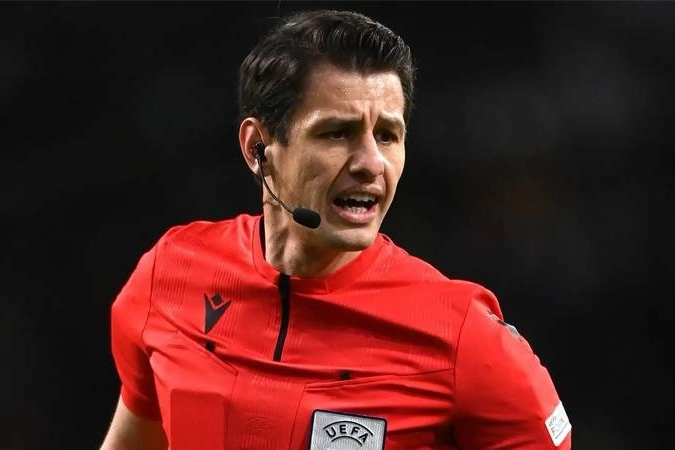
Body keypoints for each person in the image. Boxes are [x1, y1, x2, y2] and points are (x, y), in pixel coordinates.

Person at [100, 9, 571, 450]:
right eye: (337, 133)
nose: (371, 163)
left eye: (387, 135)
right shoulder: (170, 275)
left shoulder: (464, 336)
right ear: (258, 148)